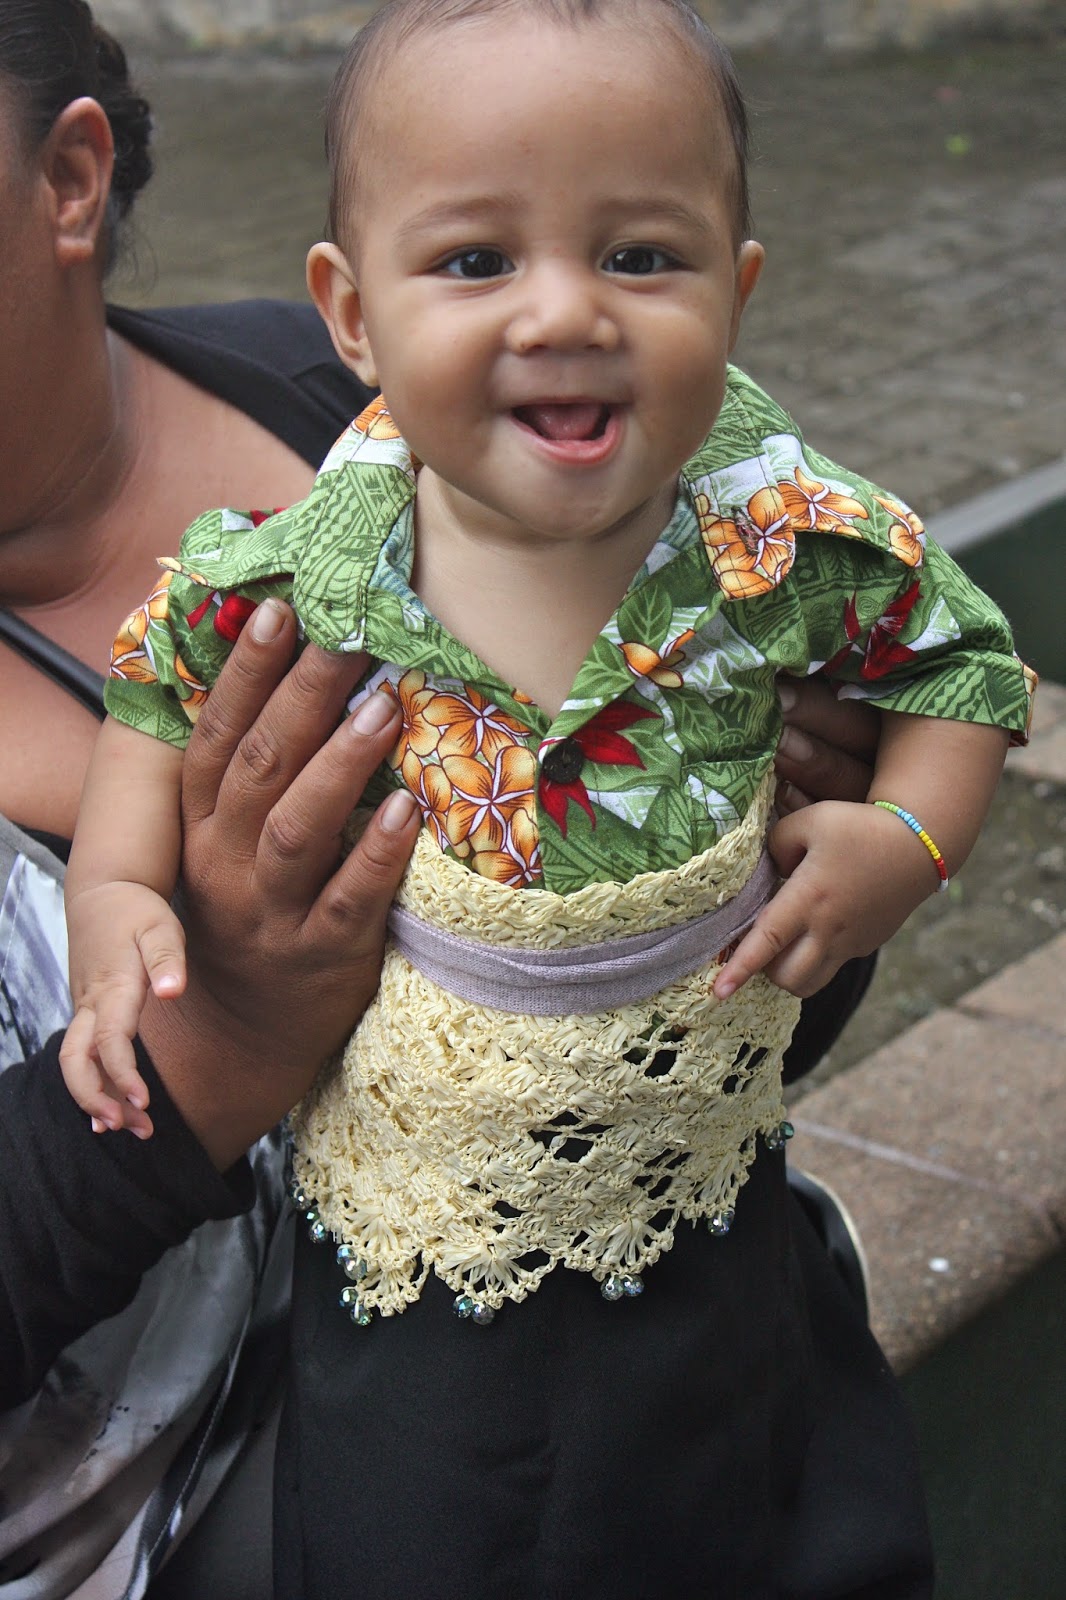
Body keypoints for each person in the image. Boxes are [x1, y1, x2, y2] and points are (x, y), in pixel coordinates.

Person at [54, 0, 1034, 1592]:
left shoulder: (781, 540)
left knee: (757, 1490)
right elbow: (153, 697)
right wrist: (115, 895)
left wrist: (909, 834)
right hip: (424, 1217)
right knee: (414, 1518)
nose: (564, 312)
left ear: (742, 287)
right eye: (475, 262)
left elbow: (960, 670)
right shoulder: (311, 557)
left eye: (643, 258)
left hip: (705, 1170)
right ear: (350, 313)